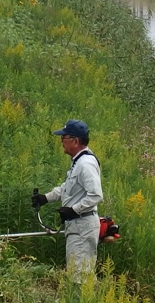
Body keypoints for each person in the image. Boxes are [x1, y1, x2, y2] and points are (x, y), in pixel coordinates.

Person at [31, 119, 103, 281]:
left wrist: (73, 210)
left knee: (79, 278)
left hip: (82, 227)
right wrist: (45, 198)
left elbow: (96, 195)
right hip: (77, 226)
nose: (61, 141)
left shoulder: (86, 164)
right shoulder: (78, 162)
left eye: (64, 138)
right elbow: (67, 188)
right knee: (75, 274)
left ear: (75, 141)